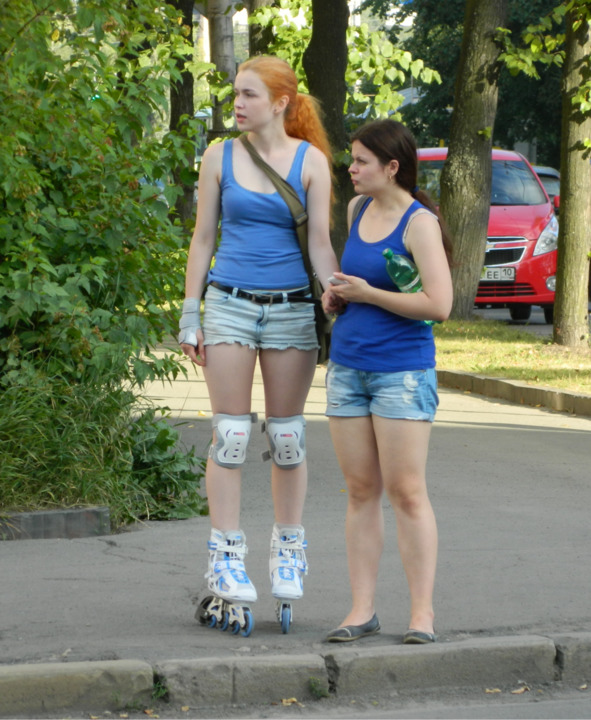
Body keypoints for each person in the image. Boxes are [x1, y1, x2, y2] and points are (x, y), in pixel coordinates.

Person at [178, 55, 340, 635]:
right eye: (235, 93)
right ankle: (225, 554)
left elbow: (319, 243)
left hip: (292, 309)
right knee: (230, 434)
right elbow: (203, 238)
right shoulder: (219, 156)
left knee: (288, 437)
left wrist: (335, 292)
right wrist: (189, 313)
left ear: (280, 102)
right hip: (229, 304)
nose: (237, 103)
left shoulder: (311, 161)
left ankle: (288, 549)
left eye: (248, 94)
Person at [322, 119, 453, 645]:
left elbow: (439, 305)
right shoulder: (358, 209)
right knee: (360, 491)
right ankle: (361, 610)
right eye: (351, 159)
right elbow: (355, 284)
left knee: (406, 492)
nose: (351, 169)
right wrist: (337, 297)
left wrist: (368, 294)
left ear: (392, 167)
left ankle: (422, 615)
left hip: (402, 372)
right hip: (347, 368)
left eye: (361, 161)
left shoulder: (419, 224)